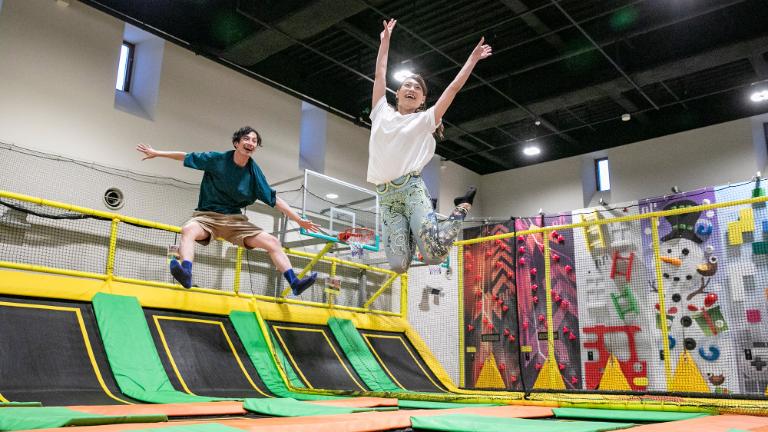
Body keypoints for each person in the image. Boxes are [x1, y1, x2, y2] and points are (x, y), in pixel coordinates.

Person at [368, 19, 492, 273]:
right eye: (407, 85)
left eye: (418, 88)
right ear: (397, 93)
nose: (411, 89)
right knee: (398, 265)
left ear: (422, 100)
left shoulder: (425, 120)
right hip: (386, 196)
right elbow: (380, 73)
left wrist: (471, 60)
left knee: (434, 256)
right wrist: (385, 42)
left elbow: (453, 89)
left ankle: (462, 206)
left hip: (411, 190)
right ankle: (416, 232)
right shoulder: (380, 111)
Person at [136, 126, 320, 295]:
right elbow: (185, 156)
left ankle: (294, 283)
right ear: (236, 143)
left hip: (235, 222)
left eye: (254, 141)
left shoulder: (254, 172)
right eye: (246, 139)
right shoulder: (217, 159)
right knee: (188, 230)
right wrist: (157, 153)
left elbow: (274, 199)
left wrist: (298, 220)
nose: (250, 143)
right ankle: (186, 273)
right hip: (207, 217)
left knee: (273, 242)